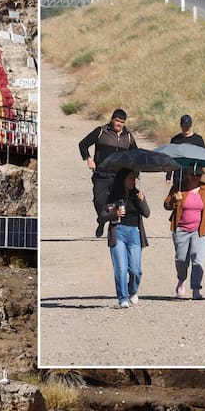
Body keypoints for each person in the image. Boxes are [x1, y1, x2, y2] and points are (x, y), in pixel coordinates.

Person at [163, 164, 205, 299]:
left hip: (199, 229)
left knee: (198, 258)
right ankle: (181, 279)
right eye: (193, 175)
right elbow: (166, 205)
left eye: (199, 175)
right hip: (181, 229)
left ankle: (196, 288)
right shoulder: (179, 187)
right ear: (187, 175)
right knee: (181, 259)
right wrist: (174, 198)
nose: (196, 178)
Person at [80, 109, 138, 237]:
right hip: (102, 174)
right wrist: (88, 159)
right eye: (117, 121)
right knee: (99, 201)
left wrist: (135, 175)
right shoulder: (101, 131)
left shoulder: (128, 136)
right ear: (112, 119)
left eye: (122, 122)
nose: (119, 124)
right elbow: (83, 144)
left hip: (120, 176)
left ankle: (115, 231)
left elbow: (135, 156)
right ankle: (102, 221)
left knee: (118, 204)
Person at [101, 169, 150, 308]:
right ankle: (122, 298)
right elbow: (102, 216)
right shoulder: (113, 196)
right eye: (130, 178)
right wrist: (114, 214)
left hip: (135, 233)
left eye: (135, 178)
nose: (133, 181)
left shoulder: (137, 195)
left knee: (136, 270)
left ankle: (132, 290)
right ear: (122, 180)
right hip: (118, 232)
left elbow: (147, 213)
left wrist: (142, 200)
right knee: (121, 269)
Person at [166, 113, 205, 180]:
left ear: (190, 125)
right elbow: (171, 158)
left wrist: (199, 174)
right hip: (178, 174)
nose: (185, 128)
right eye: (184, 126)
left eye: (187, 126)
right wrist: (168, 176)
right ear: (180, 125)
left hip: (193, 174)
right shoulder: (175, 140)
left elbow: (203, 157)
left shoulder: (198, 140)